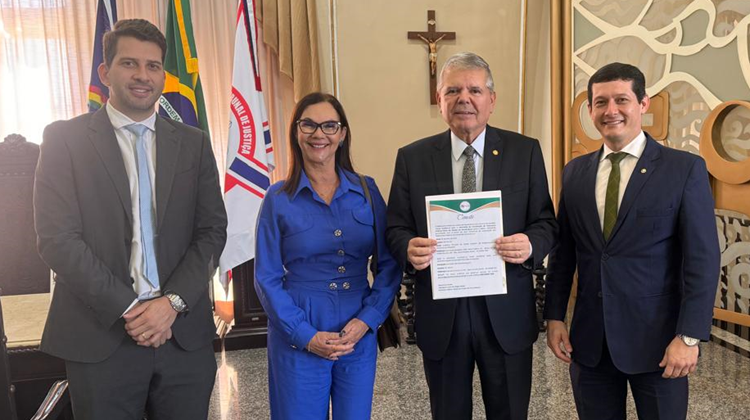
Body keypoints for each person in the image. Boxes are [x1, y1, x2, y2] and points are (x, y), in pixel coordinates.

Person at [33, 19, 227, 420]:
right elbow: (57, 239)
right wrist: (132, 309)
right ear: (105, 72)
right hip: (100, 337)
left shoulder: (193, 143)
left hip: (182, 338)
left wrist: (170, 303)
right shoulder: (63, 141)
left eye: (153, 66)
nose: (143, 76)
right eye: (129, 64)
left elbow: (211, 232)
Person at [544, 62, 720, 419]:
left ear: (643, 104)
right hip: (590, 344)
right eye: (600, 102)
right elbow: (565, 253)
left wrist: (689, 337)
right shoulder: (575, 172)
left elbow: (702, 260)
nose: (611, 111)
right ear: (590, 109)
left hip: (659, 346)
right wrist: (555, 316)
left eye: (621, 99)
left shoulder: (683, 169)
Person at [386, 52, 557, 420]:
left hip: (506, 314)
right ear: (439, 99)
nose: (464, 98)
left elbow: (546, 223)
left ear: (491, 100)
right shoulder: (412, 158)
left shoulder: (524, 152)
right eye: (453, 90)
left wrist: (530, 244)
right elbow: (395, 227)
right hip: (442, 315)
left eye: (474, 90)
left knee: (510, 412)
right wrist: (407, 247)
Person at [254, 92, 401, 420]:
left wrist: (368, 320)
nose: (319, 134)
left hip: (357, 329)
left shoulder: (367, 190)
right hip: (299, 326)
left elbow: (389, 264)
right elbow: (266, 277)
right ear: (296, 132)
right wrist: (304, 334)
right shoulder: (278, 198)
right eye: (308, 125)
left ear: (343, 134)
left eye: (329, 126)